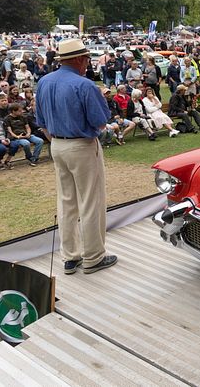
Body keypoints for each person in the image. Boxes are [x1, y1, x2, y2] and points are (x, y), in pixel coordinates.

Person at [35, 38, 117, 275]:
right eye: (87, 59)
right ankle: (93, 257)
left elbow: (41, 121)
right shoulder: (84, 85)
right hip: (81, 145)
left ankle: (70, 257)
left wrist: (57, 140)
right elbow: (100, 121)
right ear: (80, 59)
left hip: (57, 144)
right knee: (91, 201)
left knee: (67, 201)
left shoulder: (44, 82)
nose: (87, 64)